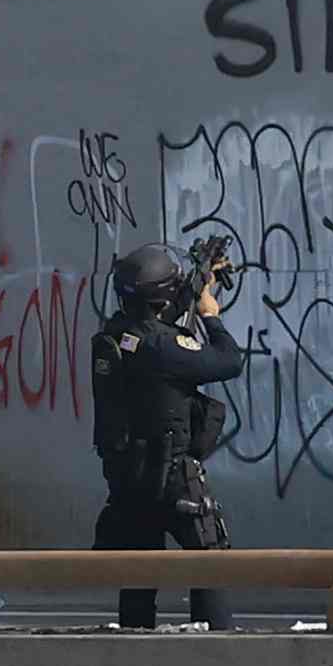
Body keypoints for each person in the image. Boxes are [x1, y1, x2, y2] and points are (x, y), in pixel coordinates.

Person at [87, 246, 247, 632]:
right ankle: (215, 647)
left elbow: (156, 333)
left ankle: (133, 643)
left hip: (128, 477)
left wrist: (190, 294)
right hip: (172, 473)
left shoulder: (115, 336)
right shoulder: (163, 348)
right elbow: (228, 361)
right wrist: (210, 315)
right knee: (210, 558)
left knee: (140, 567)